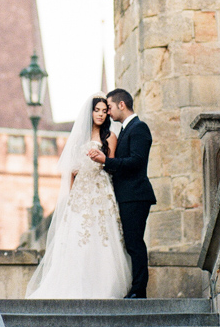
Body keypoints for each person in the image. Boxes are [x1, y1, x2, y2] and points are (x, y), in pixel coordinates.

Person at [25, 95, 133, 299]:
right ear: (90, 113)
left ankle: (103, 288)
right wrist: (71, 196)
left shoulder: (110, 137)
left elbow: (113, 166)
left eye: (104, 111)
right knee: (77, 238)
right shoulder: (78, 139)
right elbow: (71, 171)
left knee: (102, 237)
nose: (100, 114)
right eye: (97, 110)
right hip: (81, 193)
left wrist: (102, 160)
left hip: (101, 191)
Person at [87, 88, 155, 298]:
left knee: (135, 243)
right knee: (130, 243)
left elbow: (136, 162)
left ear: (121, 105)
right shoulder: (126, 129)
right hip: (126, 195)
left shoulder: (139, 128)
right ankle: (135, 288)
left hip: (135, 195)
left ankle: (139, 290)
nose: (108, 112)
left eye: (109, 107)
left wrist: (105, 161)